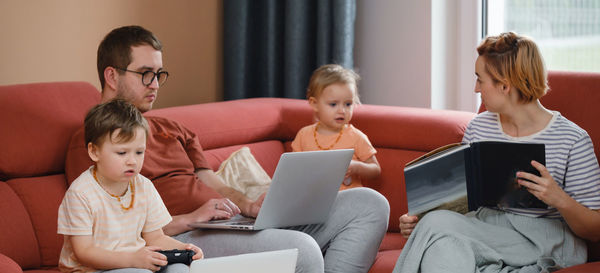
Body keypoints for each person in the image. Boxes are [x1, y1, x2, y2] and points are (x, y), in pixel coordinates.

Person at [65, 25, 390, 273]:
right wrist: (191, 218)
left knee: (369, 204)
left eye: (159, 74)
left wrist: (249, 206)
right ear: (111, 75)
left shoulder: (174, 128)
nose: (155, 84)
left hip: (226, 225)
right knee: (302, 251)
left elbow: (212, 181)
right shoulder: (95, 144)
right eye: (145, 74)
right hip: (186, 237)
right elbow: (114, 229)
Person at [393, 32, 600, 273]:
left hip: (546, 237)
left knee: (437, 226)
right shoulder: (479, 127)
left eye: (480, 80)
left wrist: (558, 198)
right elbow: (463, 204)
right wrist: (418, 221)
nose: (475, 88)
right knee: (442, 245)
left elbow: (594, 230)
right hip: (487, 230)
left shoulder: (572, 139)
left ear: (504, 85)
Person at [57, 99, 202, 273]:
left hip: (135, 262)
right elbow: (84, 252)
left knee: (179, 268)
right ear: (94, 152)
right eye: (122, 152)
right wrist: (132, 259)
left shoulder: (143, 186)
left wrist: (184, 249)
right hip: (91, 269)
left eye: (139, 152)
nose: (132, 161)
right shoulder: (80, 193)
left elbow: (155, 237)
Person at [291, 64, 381, 190]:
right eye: (333, 104)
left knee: (375, 201)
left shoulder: (356, 137)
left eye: (348, 104)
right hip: (315, 199)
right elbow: (293, 169)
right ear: (314, 104)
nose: (342, 111)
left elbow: (376, 170)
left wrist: (356, 167)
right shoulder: (304, 135)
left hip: (348, 200)